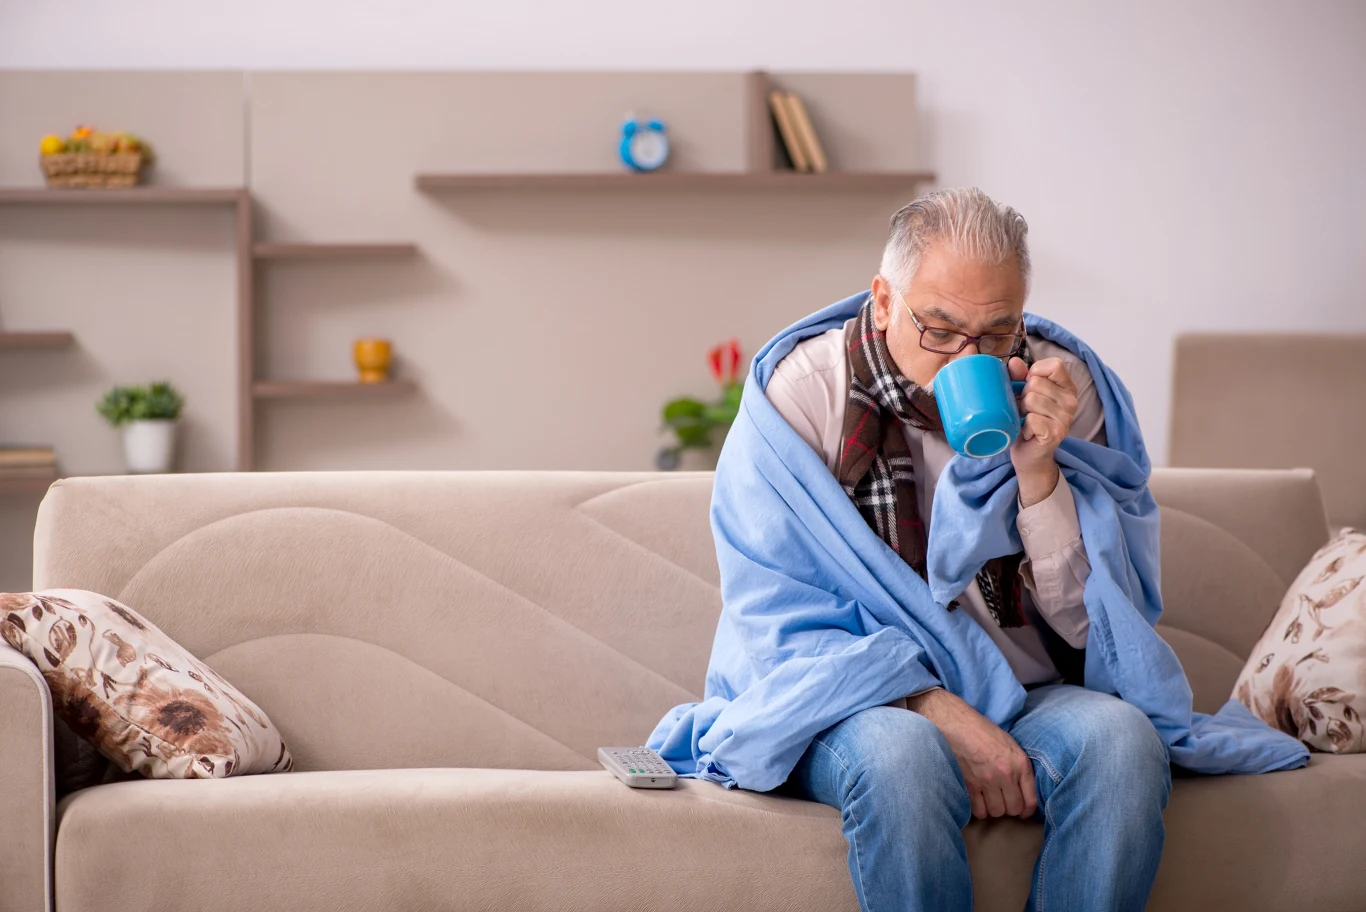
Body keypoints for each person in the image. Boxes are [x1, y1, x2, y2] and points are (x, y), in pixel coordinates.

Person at [645, 187, 1306, 912]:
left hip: (1028, 690)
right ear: (884, 300)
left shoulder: (1066, 390)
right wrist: (930, 703)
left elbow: (1098, 630)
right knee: (901, 757)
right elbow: (779, 619)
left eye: (997, 334)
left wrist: (1040, 475)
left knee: (1121, 744)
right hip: (846, 701)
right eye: (941, 329)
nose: (970, 356)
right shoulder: (801, 399)